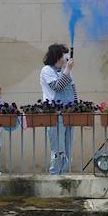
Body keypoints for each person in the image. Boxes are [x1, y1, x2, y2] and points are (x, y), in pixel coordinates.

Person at [40, 43, 77, 175]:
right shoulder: (47, 71)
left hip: (68, 114)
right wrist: (67, 70)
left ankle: (64, 175)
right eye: (64, 54)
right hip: (55, 114)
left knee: (68, 149)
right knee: (58, 149)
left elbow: (73, 90)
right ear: (58, 56)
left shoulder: (65, 70)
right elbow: (57, 87)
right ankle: (55, 175)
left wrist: (76, 109)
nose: (66, 57)